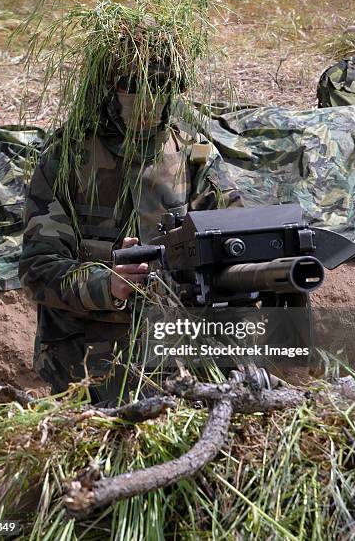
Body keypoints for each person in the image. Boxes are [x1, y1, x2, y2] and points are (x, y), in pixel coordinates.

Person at [19, 56, 243, 404]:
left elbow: (234, 246)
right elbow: (39, 270)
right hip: (90, 366)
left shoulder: (195, 157)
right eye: (134, 87)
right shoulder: (66, 159)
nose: (149, 99)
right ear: (108, 87)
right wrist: (108, 283)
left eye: (162, 87)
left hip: (182, 361)